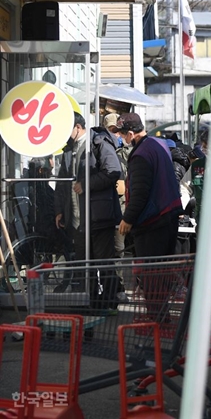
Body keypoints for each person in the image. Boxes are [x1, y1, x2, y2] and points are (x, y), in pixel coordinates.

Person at [54, 112, 123, 310]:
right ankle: (90, 301)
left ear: (78, 127)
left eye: (68, 129)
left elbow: (113, 171)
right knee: (85, 264)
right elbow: (61, 182)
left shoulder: (98, 142)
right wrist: (59, 210)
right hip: (77, 219)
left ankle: (110, 302)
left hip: (98, 216)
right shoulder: (69, 150)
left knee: (103, 261)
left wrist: (86, 184)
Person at [115, 113, 182, 256]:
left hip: (154, 222)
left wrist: (127, 219)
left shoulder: (141, 154)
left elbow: (140, 192)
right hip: (169, 214)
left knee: (151, 273)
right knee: (163, 273)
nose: (121, 138)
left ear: (131, 134)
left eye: (122, 135)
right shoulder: (159, 144)